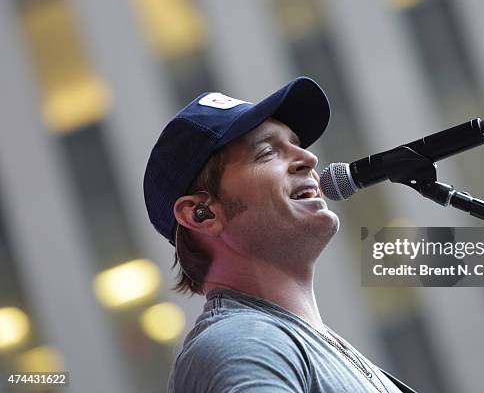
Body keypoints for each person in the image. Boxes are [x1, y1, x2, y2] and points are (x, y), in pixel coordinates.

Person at [144, 77, 417, 393]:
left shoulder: (278, 341)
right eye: (267, 152)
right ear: (201, 213)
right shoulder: (243, 344)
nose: (309, 159)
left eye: (297, 144)